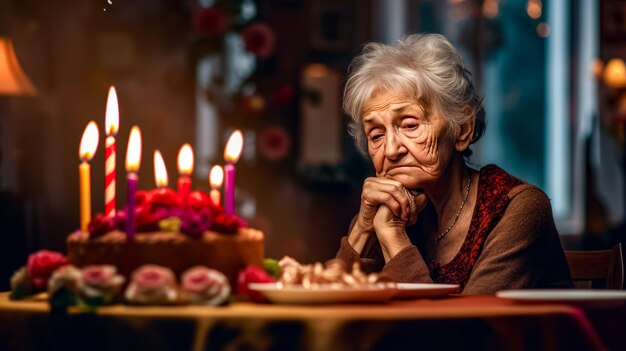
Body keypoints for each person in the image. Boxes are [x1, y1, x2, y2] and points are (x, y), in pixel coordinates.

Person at [335, 33, 572, 294]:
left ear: (462, 130)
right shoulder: (387, 211)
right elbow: (333, 318)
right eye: (376, 135)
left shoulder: (518, 208)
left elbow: (464, 330)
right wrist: (363, 230)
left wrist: (393, 237)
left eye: (410, 125)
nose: (391, 150)